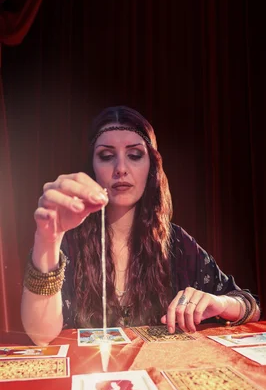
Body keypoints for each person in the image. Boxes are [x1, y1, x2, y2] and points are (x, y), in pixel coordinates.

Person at [21, 106, 260, 345]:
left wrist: (220, 303)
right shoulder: (67, 241)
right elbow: (39, 335)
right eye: (106, 156)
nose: (121, 169)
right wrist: (48, 239)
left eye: (134, 155)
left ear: (152, 167)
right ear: (91, 167)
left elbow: (250, 305)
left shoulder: (176, 243)